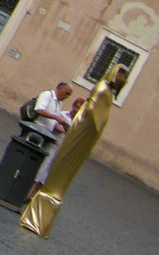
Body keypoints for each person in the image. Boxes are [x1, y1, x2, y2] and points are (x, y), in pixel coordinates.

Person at [20, 65, 130, 238]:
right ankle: (34, 207)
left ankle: (37, 210)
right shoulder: (103, 90)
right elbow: (92, 115)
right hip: (78, 136)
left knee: (57, 175)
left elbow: (94, 117)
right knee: (53, 174)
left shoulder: (105, 92)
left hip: (81, 137)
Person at [24, 81, 74, 200]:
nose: (67, 96)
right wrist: (57, 118)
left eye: (69, 95)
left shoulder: (59, 104)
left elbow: (53, 123)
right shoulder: (47, 95)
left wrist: (60, 127)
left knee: (39, 165)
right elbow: (39, 109)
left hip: (45, 136)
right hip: (37, 131)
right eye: (66, 93)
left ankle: (27, 193)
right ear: (60, 89)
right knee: (28, 161)